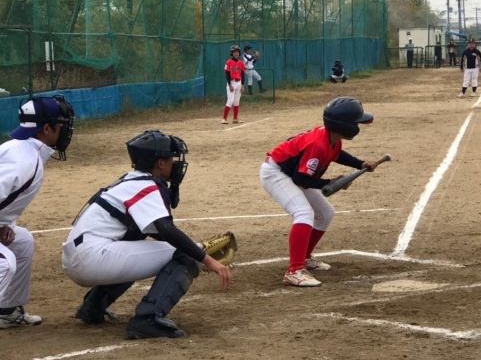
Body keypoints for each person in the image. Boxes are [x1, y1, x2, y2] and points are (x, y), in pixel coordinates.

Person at [61, 130, 232, 339]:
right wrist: (206, 259)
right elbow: (166, 230)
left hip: (80, 256)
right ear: (160, 163)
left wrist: (196, 248)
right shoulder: (147, 186)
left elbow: (157, 234)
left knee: (139, 242)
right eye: (171, 159)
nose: (176, 164)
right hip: (93, 257)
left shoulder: (131, 180)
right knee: (186, 256)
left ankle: (93, 306)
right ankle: (148, 319)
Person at [260, 97, 377, 287]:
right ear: (345, 126)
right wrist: (329, 183)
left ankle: (304, 258)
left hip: (292, 172)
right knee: (303, 213)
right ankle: (295, 271)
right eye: (356, 122)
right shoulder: (318, 144)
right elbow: (300, 179)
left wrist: (360, 163)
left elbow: (336, 154)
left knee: (325, 213)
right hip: (276, 173)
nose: (358, 125)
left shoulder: (331, 137)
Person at [0, 95, 74, 329]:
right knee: (5, 263)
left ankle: (6, 311)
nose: (65, 131)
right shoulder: (24, 161)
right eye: (61, 125)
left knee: (21, 242)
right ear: (46, 129)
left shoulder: (18, 149)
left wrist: (4, 225)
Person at [222, 45, 246, 124]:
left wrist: (242, 85)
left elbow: (242, 74)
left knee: (236, 101)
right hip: (231, 82)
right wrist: (229, 85)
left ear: (239, 53)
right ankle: (224, 118)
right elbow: (227, 74)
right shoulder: (228, 62)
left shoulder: (241, 63)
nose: (236, 53)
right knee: (230, 100)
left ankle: (235, 118)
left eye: (237, 52)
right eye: (234, 52)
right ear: (232, 53)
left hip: (239, 83)